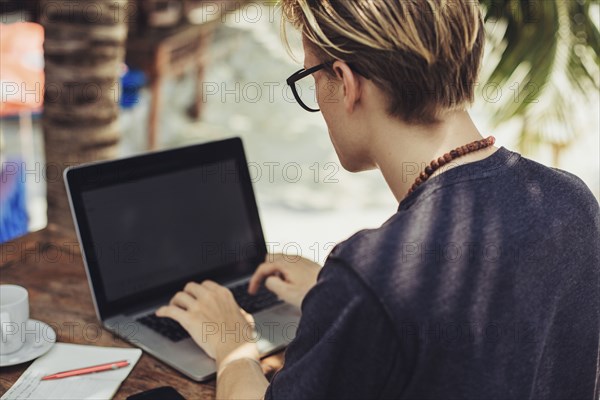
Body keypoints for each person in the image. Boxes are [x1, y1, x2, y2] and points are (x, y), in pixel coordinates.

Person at [156, 0, 600, 398]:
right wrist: (337, 301)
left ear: (346, 82)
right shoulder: (572, 202)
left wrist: (234, 345)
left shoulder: (371, 274)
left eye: (310, 76)